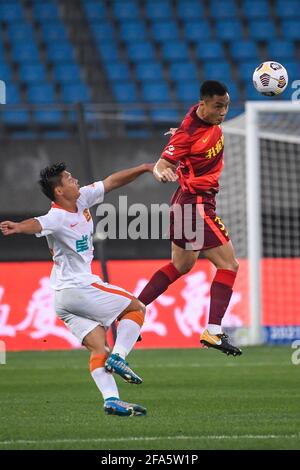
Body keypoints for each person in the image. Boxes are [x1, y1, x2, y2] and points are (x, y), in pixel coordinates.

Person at [0, 161, 154, 416]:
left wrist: (145, 167)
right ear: (59, 191)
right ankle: (120, 356)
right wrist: (17, 227)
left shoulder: (81, 199)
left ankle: (111, 400)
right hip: (80, 287)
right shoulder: (57, 216)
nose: (76, 181)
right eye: (69, 179)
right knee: (137, 308)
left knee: (98, 348)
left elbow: (113, 181)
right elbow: (38, 223)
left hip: (62, 298)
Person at [138, 80, 242, 357]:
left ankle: (131, 312)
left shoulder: (198, 119)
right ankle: (213, 330)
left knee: (181, 265)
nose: (223, 113)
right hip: (196, 205)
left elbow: (183, 139)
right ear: (204, 103)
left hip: (186, 203)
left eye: (226, 106)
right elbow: (164, 162)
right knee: (229, 265)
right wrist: (161, 171)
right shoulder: (187, 133)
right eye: (218, 107)